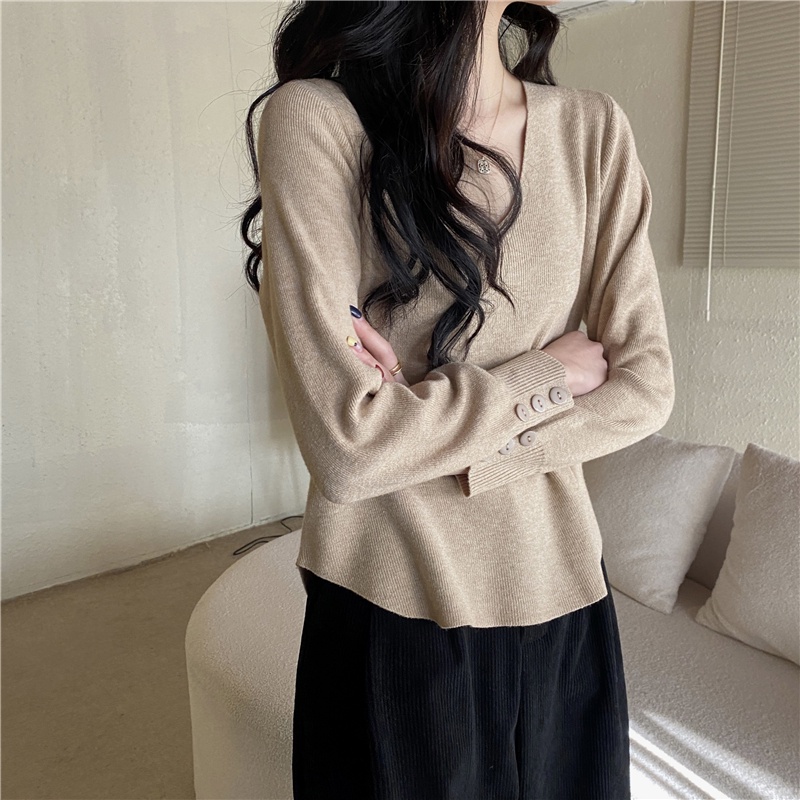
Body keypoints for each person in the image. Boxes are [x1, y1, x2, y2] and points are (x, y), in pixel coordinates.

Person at [239, 1, 675, 797]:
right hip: (391, 605)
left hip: (566, 595)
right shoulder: (319, 120)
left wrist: (427, 426)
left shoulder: (593, 130)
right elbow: (349, 447)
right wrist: (544, 376)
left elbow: (646, 389)